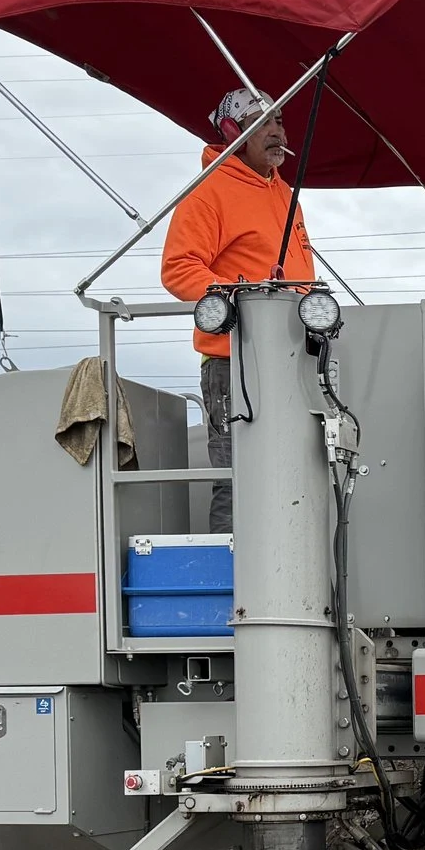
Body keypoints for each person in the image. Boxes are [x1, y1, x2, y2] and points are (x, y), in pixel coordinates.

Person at [159, 87, 315, 533]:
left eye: (280, 120)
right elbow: (178, 268)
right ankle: (233, 590)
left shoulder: (286, 195)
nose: (277, 130)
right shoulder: (208, 192)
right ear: (232, 132)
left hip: (291, 355)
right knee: (238, 477)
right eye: (263, 121)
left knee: (295, 474)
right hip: (233, 360)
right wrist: (240, 299)